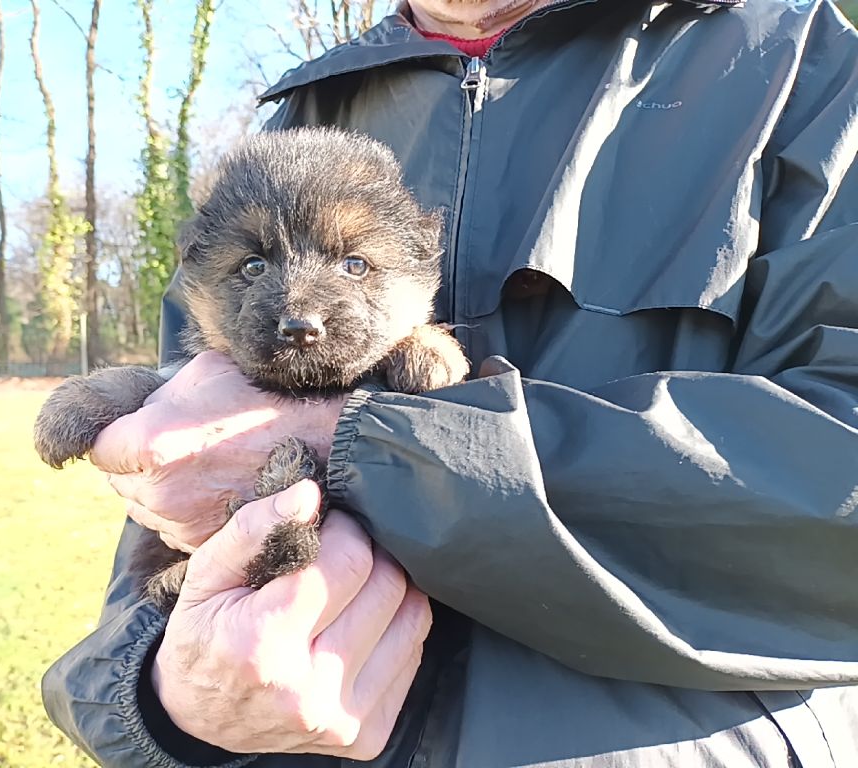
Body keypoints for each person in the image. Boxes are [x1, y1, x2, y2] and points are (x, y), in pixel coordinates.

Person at [42, 0, 858, 765]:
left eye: (354, 264)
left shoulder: (803, 66)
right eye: (256, 268)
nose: (296, 310)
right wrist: (166, 701)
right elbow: (170, 499)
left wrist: (380, 448)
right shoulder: (302, 117)